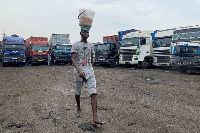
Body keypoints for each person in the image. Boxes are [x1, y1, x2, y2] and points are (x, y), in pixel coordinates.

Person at [71, 26, 104, 126]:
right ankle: (78, 108)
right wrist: (79, 70)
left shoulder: (91, 46)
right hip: (78, 72)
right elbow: (73, 59)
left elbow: (91, 59)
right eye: (84, 32)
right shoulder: (75, 45)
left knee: (93, 93)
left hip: (89, 72)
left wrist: (91, 69)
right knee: (78, 92)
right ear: (80, 33)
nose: (86, 33)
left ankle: (95, 118)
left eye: (87, 32)